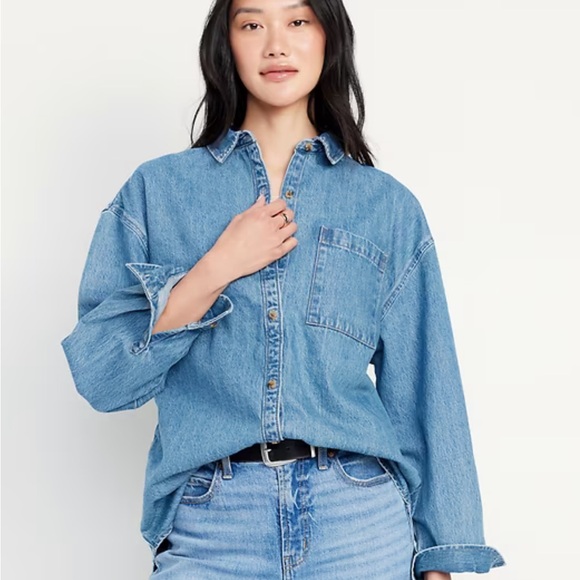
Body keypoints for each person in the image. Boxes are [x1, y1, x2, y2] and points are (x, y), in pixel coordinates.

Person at [61, 0, 507, 578]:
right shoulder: (156, 192)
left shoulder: (386, 205)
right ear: (225, 44)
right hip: (212, 527)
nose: (276, 44)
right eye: (252, 24)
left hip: (359, 525)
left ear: (328, 38)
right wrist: (215, 267)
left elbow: (426, 385)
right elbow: (102, 378)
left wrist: (440, 557)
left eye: (297, 21)